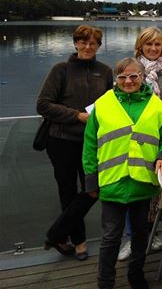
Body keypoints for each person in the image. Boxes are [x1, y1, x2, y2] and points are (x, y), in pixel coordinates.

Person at [83, 57, 162, 289]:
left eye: (134, 76)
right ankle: (105, 282)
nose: (128, 81)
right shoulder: (103, 104)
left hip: (143, 181)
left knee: (140, 235)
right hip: (112, 181)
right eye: (123, 77)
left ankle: (136, 275)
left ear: (142, 77)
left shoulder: (157, 105)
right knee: (110, 238)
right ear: (116, 79)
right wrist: (91, 179)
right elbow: (90, 144)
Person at [37, 25, 113, 261]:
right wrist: (77, 115)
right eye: (83, 42)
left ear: (98, 45)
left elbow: (112, 103)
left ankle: (57, 233)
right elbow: (43, 104)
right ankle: (78, 242)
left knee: (93, 188)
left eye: (93, 43)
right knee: (68, 191)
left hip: (92, 143)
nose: (88, 47)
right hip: (61, 141)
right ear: (76, 43)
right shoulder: (61, 70)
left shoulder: (105, 71)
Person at [118, 27, 162, 261]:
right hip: (133, 141)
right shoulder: (130, 70)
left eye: (157, 45)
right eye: (149, 45)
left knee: (157, 187)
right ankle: (131, 238)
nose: (154, 49)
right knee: (132, 188)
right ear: (141, 46)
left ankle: (151, 234)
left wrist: (160, 126)